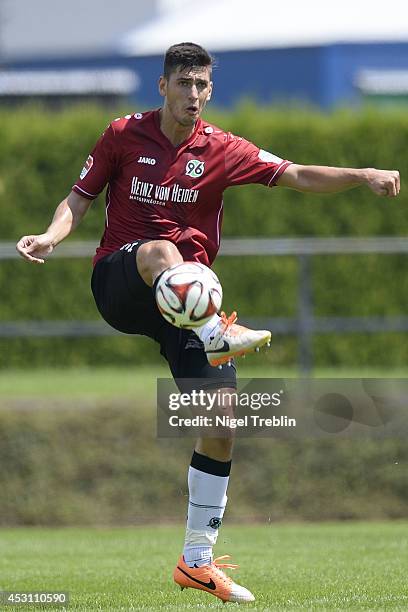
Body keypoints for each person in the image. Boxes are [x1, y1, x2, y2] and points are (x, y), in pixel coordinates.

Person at [16, 42, 400, 604]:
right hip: (122, 284)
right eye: (183, 84)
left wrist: (361, 172)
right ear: (163, 86)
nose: (193, 95)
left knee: (222, 421)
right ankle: (217, 328)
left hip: (183, 313)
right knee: (161, 252)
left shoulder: (222, 148)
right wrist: (50, 237)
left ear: (209, 91)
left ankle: (196, 561)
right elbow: (79, 197)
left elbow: (296, 174)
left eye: (202, 86)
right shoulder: (123, 134)